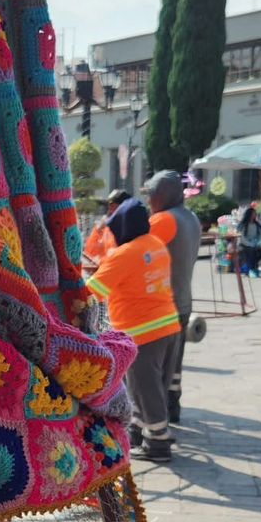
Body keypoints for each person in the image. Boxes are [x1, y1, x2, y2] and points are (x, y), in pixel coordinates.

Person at [86, 208, 181, 463]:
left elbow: (92, 290)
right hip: (169, 324)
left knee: (144, 388)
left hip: (142, 331)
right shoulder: (155, 243)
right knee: (151, 387)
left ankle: (158, 444)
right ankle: (139, 431)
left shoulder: (125, 253)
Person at [145, 171, 201, 425]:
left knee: (154, 366)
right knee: (175, 362)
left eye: (152, 195)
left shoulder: (164, 219)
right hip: (183, 299)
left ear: (163, 195)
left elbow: (138, 252)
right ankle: (173, 405)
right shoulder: (191, 218)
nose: (149, 201)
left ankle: (155, 423)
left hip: (161, 305)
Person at [237, 205, 261, 274]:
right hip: (244, 244)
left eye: (255, 214)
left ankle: (255, 266)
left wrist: (259, 242)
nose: (255, 215)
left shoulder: (257, 224)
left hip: (254, 243)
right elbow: (242, 238)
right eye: (253, 214)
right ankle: (250, 267)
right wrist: (251, 244)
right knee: (251, 250)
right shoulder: (243, 225)